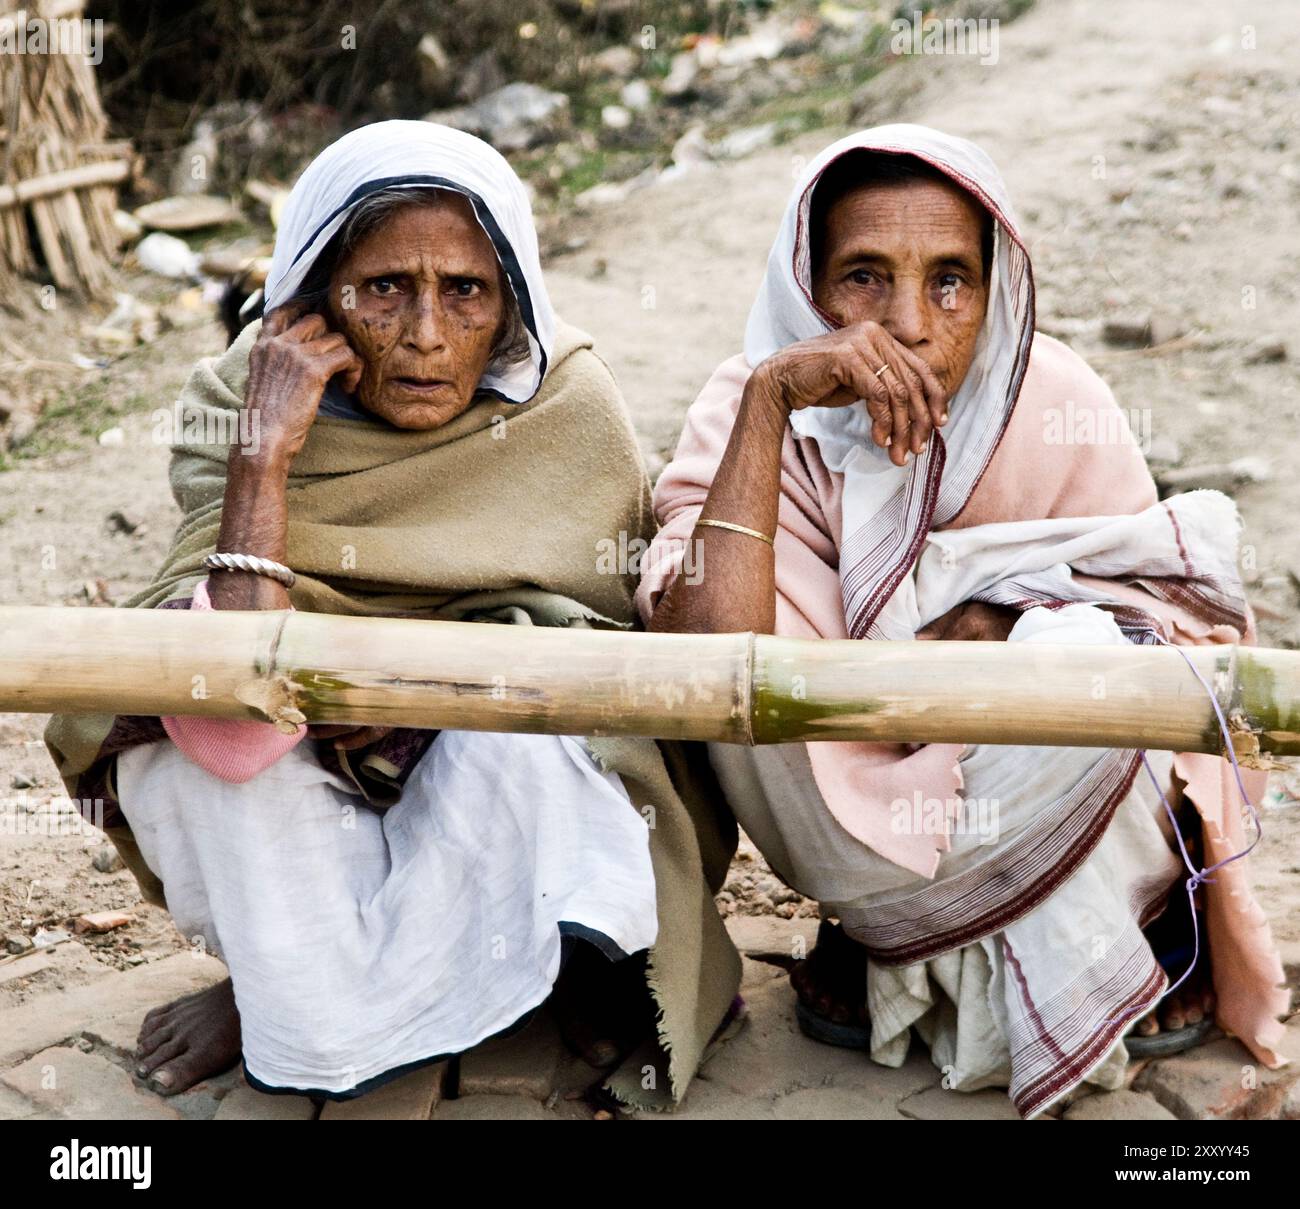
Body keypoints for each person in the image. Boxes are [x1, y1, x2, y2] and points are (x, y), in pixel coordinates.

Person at [44, 120, 741, 1110]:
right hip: (290, 757)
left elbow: (594, 645)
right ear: (311, 299)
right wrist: (261, 457)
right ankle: (317, 997)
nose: (423, 334)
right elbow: (225, 704)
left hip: (480, 754)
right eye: (382, 290)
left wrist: (422, 694)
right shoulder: (236, 402)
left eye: (465, 292)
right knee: (193, 760)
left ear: (510, 307)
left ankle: (331, 994)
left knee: (547, 752)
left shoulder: (562, 407)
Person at [637, 123, 1289, 1117]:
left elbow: (1175, 622)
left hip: (1037, 779)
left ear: (993, 295)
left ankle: (1136, 933)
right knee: (744, 690)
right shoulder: (749, 401)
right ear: (803, 288)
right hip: (851, 804)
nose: (906, 321)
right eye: (862, 277)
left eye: (949, 280)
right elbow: (711, 651)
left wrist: (1010, 617)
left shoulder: (1053, 395)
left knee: (1100, 663)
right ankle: (881, 934)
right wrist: (773, 401)